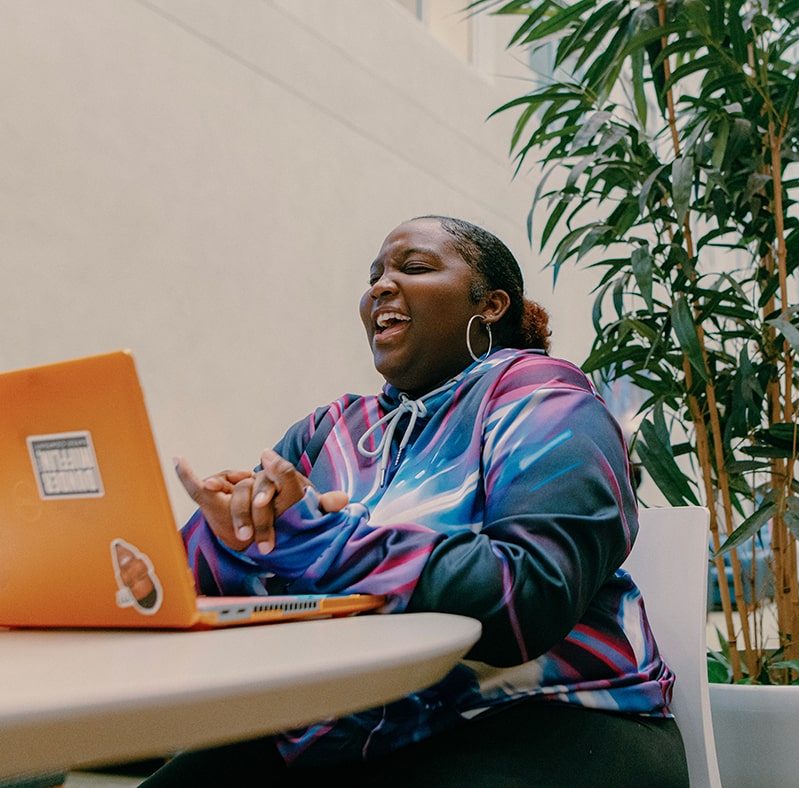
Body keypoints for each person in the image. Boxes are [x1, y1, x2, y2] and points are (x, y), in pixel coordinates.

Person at [142, 215, 689, 787]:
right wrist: (226, 536)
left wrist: (320, 539)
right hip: (355, 730)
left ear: (493, 305)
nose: (380, 285)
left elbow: (528, 598)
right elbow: (207, 586)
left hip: (557, 719)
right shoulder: (329, 430)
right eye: (374, 274)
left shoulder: (548, 402)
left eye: (415, 267)